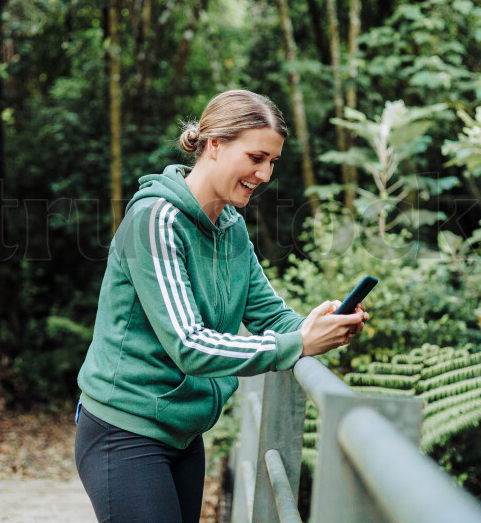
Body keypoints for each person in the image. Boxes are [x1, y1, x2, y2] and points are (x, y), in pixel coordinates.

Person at [74, 89, 369, 523]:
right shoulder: (156, 219)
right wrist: (298, 343)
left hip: (184, 435)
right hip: (125, 432)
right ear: (214, 145)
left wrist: (317, 326)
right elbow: (189, 345)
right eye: (256, 157)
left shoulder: (231, 227)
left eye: (272, 162)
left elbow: (269, 315)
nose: (264, 174)